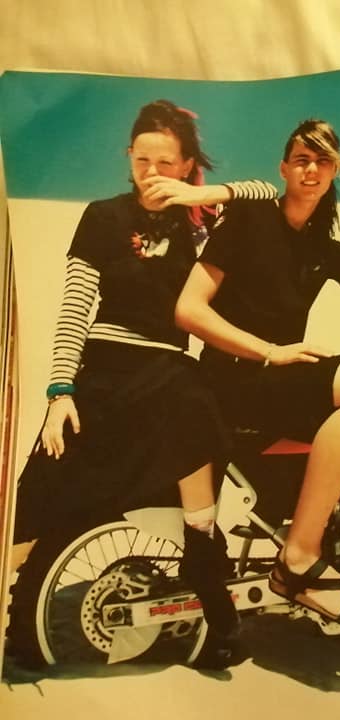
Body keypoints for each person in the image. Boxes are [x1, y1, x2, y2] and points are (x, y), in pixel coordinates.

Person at [10, 99, 277, 668]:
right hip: (106, 367)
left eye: (166, 162)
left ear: (186, 165)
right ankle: (22, 614)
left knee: (193, 406)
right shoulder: (103, 216)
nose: (152, 172)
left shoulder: (202, 224)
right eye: (142, 160)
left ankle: (204, 564)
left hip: (167, 367)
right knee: (46, 484)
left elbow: (268, 195)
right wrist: (60, 392)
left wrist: (202, 196)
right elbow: (75, 306)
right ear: (128, 156)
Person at [175, 118, 340, 629]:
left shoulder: (317, 246)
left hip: (275, 382)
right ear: (284, 168)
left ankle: (333, 527)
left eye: (322, 161)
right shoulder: (248, 221)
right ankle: (298, 558)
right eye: (302, 160)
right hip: (232, 381)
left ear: (334, 172)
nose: (311, 170)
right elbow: (189, 309)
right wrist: (270, 351)